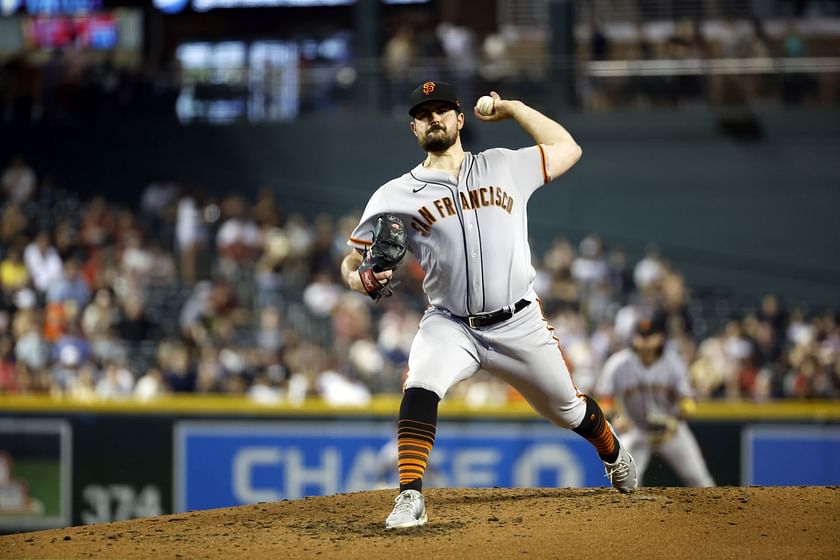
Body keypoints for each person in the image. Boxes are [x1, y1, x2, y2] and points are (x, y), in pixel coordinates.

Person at [340, 80, 637, 529]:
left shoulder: (504, 165)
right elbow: (352, 259)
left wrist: (514, 108)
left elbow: (567, 147)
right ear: (413, 128)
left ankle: (612, 452)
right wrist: (360, 278)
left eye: (441, 110)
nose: (433, 118)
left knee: (568, 410)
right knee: (420, 383)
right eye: (424, 114)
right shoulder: (394, 194)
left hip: (518, 320)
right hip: (449, 323)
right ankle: (409, 496)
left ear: (460, 120)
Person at [595, 311, 715, 488]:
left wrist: (684, 411)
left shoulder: (673, 363)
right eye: (641, 336)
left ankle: (718, 515)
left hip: (671, 432)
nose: (645, 341)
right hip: (636, 431)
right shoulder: (617, 364)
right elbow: (604, 400)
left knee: (699, 479)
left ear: (661, 337)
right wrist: (615, 418)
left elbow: (687, 399)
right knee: (624, 484)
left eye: (650, 336)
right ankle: (628, 516)